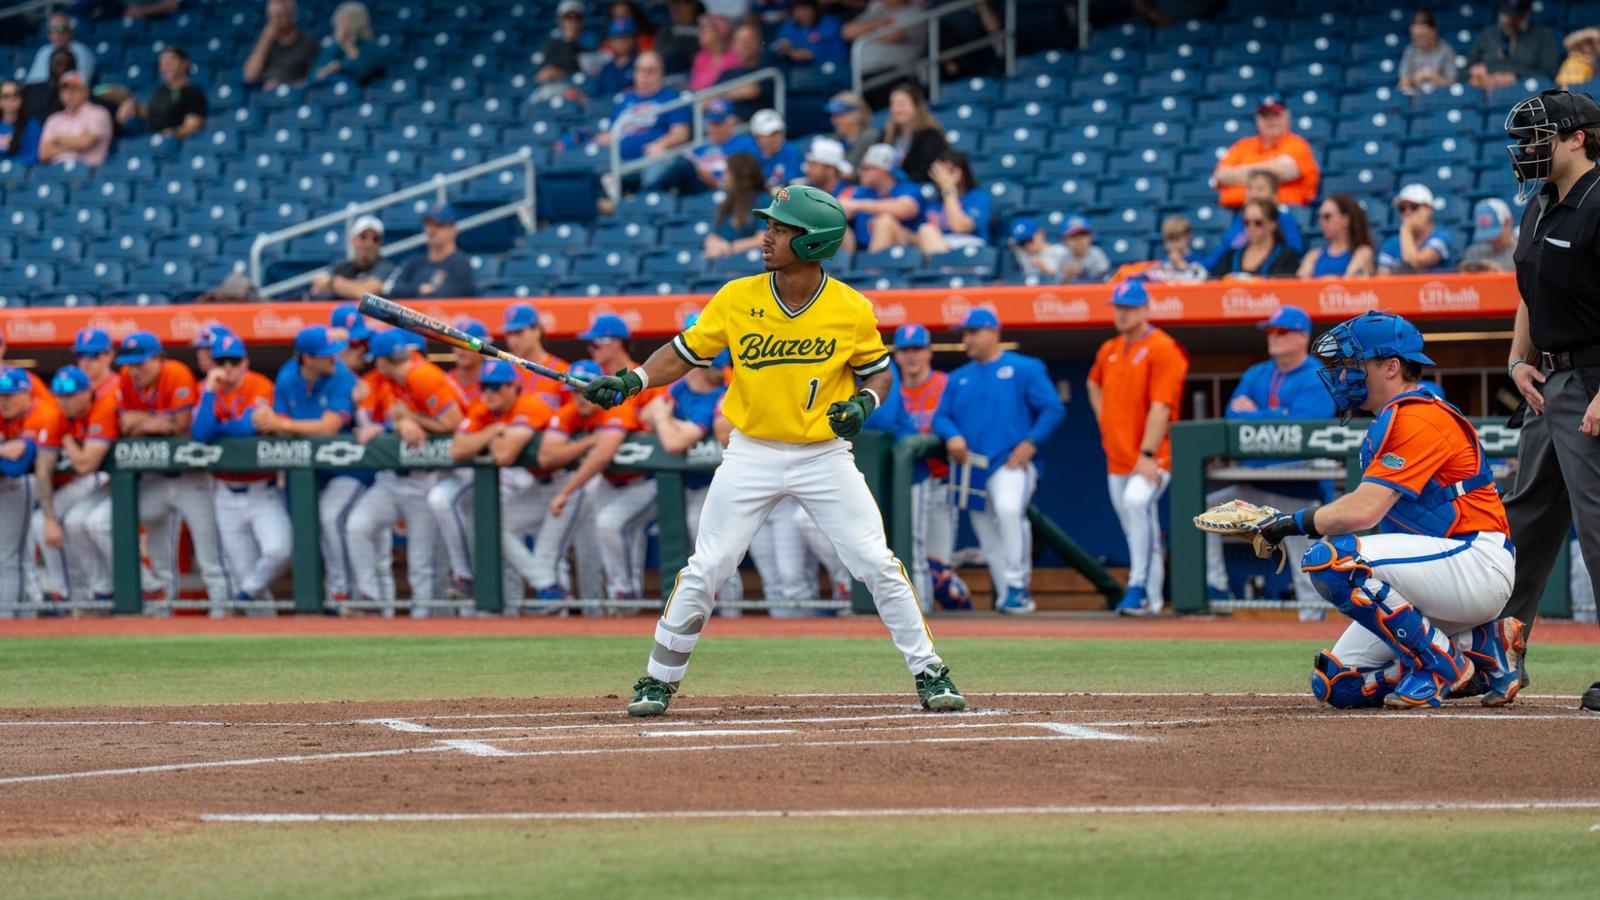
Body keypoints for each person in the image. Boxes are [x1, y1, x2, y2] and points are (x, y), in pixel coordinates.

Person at [581, 184, 966, 716]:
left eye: (781, 229)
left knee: (875, 561)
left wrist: (863, 404)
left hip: (823, 455)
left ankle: (931, 672)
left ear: (812, 243)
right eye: (772, 225)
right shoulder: (738, 296)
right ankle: (657, 679)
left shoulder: (850, 307)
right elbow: (687, 352)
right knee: (707, 566)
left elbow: (877, 370)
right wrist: (633, 380)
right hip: (751, 452)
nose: (767, 236)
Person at [1253, 311, 1524, 709]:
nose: (1343, 376)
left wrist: (1291, 523)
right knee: (1338, 684)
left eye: (1353, 365)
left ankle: (1438, 664)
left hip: (1474, 561)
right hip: (1436, 573)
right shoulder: (1391, 418)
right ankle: (1483, 645)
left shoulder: (1419, 416)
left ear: (1392, 366)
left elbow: (1364, 511)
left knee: (1332, 558)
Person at [1500, 89, 1600, 699]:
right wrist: (1517, 360)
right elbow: (1528, 289)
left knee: (1598, 528)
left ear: (1577, 138)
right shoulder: (1538, 203)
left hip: (1592, 381)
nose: (1527, 150)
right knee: (1524, 523)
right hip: (1547, 384)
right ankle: (1495, 654)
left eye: (1538, 138)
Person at [1202, 307, 1336, 611]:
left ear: (1303, 336)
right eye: (1270, 331)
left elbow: (1305, 427)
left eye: (1282, 331)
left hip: (1301, 493)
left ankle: (1310, 627)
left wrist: (1260, 415)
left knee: (1309, 573)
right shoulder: (1256, 373)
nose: (1273, 337)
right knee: (1206, 515)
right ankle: (1218, 590)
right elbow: (1233, 419)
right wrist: (1279, 416)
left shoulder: (1319, 377)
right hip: (1254, 489)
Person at [932, 312, 1063, 612]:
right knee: (986, 533)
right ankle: (1009, 596)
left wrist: (1032, 441)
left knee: (1008, 511)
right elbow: (941, 415)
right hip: (973, 466)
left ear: (993, 332)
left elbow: (1052, 408)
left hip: (1010, 461)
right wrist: (951, 435)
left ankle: (1018, 585)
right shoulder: (958, 377)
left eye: (973, 332)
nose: (967, 339)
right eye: (965, 333)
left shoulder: (1024, 367)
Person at [344, 329, 467, 614]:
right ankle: (369, 597)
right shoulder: (388, 381)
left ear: (386, 361)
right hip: (391, 480)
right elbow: (378, 419)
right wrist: (396, 425)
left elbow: (454, 422)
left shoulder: (422, 375)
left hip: (429, 478)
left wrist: (411, 419)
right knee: (358, 525)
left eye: (378, 361)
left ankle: (425, 623)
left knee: (423, 564)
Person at [1087, 281, 1190, 616]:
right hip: (1117, 456)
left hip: (1152, 455)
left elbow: (1161, 406)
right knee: (1137, 526)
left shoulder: (1164, 347)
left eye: (1129, 307)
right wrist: (1105, 419)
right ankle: (1153, 601)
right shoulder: (1109, 348)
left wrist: (1147, 454)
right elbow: (1093, 381)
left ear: (1146, 310)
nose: (1121, 313)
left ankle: (1138, 588)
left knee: (1136, 505)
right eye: (1118, 306)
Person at [549, 314, 667, 605]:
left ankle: (624, 599)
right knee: (606, 538)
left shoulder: (645, 375)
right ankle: (613, 605)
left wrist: (567, 489)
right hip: (608, 479)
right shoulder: (592, 382)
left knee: (612, 527)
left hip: (648, 476)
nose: (592, 349)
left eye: (597, 342)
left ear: (617, 342)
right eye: (589, 344)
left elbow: (656, 419)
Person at [112, 332, 231, 610]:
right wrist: (151, 422)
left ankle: (222, 612)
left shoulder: (176, 373)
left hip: (191, 479)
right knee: (152, 547)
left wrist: (139, 422)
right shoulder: (126, 378)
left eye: (141, 363)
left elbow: (180, 425)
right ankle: (160, 614)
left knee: (209, 555)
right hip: (156, 479)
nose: (135, 370)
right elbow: (123, 424)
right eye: (131, 364)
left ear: (158, 359)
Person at [252, 325, 364, 608]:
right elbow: (277, 425)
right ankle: (327, 596)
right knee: (305, 528)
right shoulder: (288, 375)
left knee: (330, 519)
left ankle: (344, 591)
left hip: (346, 467)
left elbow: (330, 426)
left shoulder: (341, 376)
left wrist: (282, 424)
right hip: (305, 470)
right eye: (325, 355)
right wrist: (268, 422)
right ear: (307, 358)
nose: (333, 359)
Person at [639, 332, 744, 609]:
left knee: (716, 545)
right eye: (718, 367)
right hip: (688, 486)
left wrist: (664, 419)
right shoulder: (681, 389)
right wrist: (663, 419)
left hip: (717, 484)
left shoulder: (719, 397)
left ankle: (732, 610)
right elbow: (645, 415)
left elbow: (673, 442)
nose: (722, 373)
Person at [447, 359, 558, 605]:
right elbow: (457, 449)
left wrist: (488, 438)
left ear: (513, 387)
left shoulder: (531, 404)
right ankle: (550, 593)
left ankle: (596, 614)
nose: (488, 393)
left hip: (572, 483)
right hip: (539, 485)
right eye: (485, 386)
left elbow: (503, 454)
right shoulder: (485, 409)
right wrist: (492, 431)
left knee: (575, 552)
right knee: (499, 524)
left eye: (496, 387)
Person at [190, 335, 288, 610]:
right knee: (242, 568)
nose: (228, 368)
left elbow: (246, 429)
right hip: (225, 492)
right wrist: (209, 390)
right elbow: (200, 434)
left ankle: (242, 595)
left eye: (234, 361)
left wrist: (219, 429)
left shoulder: (260, 385)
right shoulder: (208, 389)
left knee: (279, 550)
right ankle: (262, 625)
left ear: (245, 361)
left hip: (261, 489)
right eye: (221, 362)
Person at [884, 325, 969, 611]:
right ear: (896, 356)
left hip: (939, 483)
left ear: (929, 352)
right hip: (904, 485)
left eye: (917, 349)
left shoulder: (946, 384)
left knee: (937, 571)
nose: (911, 357)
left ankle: (964, 611)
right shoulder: (889, 392)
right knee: (904, 557)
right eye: (905, 350)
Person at [31, 366, 115, 608]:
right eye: (59, 396)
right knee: (48, 523)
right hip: (89, 481)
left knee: (90, 523)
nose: (63, 402)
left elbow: (85, 465)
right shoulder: (56, 415)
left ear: (87, 393)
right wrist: (50, 520)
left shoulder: (103, 407)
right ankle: (78, 593)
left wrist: (66, 438)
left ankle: (119, 585)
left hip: (106, 479)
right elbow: (43, 469)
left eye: (69, 395)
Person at [524, 359, 606, 602]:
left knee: (602, 555)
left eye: (587, 388)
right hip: (581, 487)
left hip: (629, 485)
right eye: (576, 390)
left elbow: (602, 456)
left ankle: (618, 616)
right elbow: (547, 455)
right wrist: (588, 442)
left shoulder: (616, 407)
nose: (581, 396)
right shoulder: (569, 412)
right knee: (587, 553)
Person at [430, 318, 488, 598]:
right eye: (456, 344)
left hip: (491, 469)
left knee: (493, 547)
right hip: (454, 469)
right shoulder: (444, 381)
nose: (461, 350)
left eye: (466, 344)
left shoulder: (495, 379)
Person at [0, 369, 56, 609]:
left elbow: (17, 467)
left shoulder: (43, 414)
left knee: (8, 559)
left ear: (26, 393)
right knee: (17, 558)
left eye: (10, 395)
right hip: (18, 488)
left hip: (27, 487)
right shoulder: (5, 415)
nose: (3, 401)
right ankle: (28, 611)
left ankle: (9, 617)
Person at [1212, 94, 1320, 210]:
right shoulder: (1243, 145)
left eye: (1276, 115)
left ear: (1287, 117)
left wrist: (1238, 173)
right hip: (1239, 211)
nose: (1271, 121)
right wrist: (1268, 170)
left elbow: (1283, 171)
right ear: (1257, 120)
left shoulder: (1297, 144)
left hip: (1284, 212)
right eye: (1265, 116)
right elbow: (1220, 175)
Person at [593, 51, 690, 167]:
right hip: (617, 160)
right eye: (640, 70)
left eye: (651, 71)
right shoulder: (624, 99)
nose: (644, 75)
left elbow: (681, 133)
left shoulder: (672, 98)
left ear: (661, 74)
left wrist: (662, 144)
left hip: (651, 160)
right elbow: (610, 133)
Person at [640, 97, 744, 195]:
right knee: (677, 162)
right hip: (696, 191)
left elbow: (752, 179)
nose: (714, 128)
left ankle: (646, 195)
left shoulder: (745, 143)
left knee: (684, 165)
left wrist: (717, 183)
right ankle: (649, 197)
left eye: (719, 123)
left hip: (724, 192)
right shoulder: (702, 147)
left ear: (731, 121)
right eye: (712, 123)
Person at [1206, 170, 1308, 268]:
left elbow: (1295, 251)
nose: (1253, 194)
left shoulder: (1284, 218)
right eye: (1250, 188)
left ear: (1274, 195)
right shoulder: (1240, 219)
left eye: (1260, 189)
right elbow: (1223, 250)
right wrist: (1201, 267)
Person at [838, 143, 922, 253]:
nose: (861, 172)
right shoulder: (862, 191)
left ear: (883, 170)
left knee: (884, 222)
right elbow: (841, 207)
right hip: (861, 248)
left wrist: (857, 205)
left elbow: (906, 209)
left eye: (866, 168)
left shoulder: (908, 188)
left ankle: (873, 268)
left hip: (902, 251)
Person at [384, 203, 476, 299]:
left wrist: (414, 292)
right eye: (428, 225)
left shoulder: (461, 264)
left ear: (453, 230)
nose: (431, 231)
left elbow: (450, 296)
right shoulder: (414, 262)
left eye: (438, 225)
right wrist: (419, 289)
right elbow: (393, 291)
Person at [115, 45, 206, 139]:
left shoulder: (193, 92)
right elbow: (152, 113)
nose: (165, 67)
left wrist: (174, 133)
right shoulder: (161, 90)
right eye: (162, 63)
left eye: (170, 62)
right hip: (152, 141)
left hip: (172, 145)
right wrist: (133, 105)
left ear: (184, 63)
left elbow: (193, 124)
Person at [1467, 0, 1561, 90]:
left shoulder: (1543, 35)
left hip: (1526, 91)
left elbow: (1550, 73)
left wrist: (1517, 76)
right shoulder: (1487, 35)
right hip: (1490, 92)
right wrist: (1475, 71)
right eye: (1506, 14)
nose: (1508, 20)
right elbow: (1465, 70)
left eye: (1514, 16)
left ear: (1527, 12)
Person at [915, 151, 990, 255]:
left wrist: (948, 189)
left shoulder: (978, 196)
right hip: (939, 247)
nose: (943, 177)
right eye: (939, 172)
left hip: (970, 250)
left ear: (962, 173)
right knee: (925, 231)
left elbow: (960, 227)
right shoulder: (931, 200)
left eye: (949, 171)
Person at [842, 0, 929, 87]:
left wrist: (863, 33)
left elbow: (895, 35)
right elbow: (847, 32)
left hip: (894, 72)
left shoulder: (914, 13)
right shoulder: (877, 11)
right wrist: (878, 24)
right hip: (862, 72)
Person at [1211, 198, 1303, 279]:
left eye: (1258, 223)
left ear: (1272, 224)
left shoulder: (1286, 256)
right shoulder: (1231, 256)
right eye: (1246, 223)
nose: (1251, 227)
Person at [309, 215, 394, 300]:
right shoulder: (343, 266)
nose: (369, 243)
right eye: (363, 237)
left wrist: (332, 283)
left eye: (375, 239)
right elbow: (318, 283)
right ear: (353, 239)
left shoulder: (386, 267)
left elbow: (368, 293)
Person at [502, 303, 569, 409]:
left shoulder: (562, 370)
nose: (513, 340)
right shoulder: (502, 371)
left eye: (519, 332)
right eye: (509, 334)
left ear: (536, 330)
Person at [1376, 184, 1455, 274]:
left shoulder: (1441, 236)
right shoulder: (1391, 244)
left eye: (1414, 207)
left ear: (1429, 209)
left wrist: (1406, 229)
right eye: (1402, 209)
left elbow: (1414, 263)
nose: (1407, 212)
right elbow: (1382, 280)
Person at [702, 153, 769, 259]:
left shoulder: (763, 201)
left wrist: (730, 247)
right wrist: (712, 245)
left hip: (748, 263)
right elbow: (715, 235)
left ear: (740, 175)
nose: (724, 177)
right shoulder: (729, 201)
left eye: (727, 172)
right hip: (724, 262)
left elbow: (763, 238)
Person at [38, 72, 111, 167]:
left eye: (74, 88)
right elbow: (43, 153)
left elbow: (85, 143)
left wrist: (58, 139)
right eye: (65, 89)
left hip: (87, 172)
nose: (69, 93)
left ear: (86, 91)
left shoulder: (98, 113)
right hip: (57, 171)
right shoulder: (54, 119)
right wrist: (75, 143)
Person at [244, 0, 320, 90]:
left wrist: (283, 86)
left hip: (293, 95)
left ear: (293, 16)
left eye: (280, 16)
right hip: (266, 96)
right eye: (271, 17)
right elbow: (249, 77)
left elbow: (315, 78)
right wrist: (264, 42)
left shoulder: (308, 42)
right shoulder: (264, 42)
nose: (275, 22)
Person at [880, 83, 948, 184]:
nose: (896, 110)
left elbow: (924, 172)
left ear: (917, 107)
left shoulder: (930, 136)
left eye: (901, 104)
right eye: (893, 104)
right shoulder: (885, 135)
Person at [1297, 194, 1377, 279]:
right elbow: (1299, 286)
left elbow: (1349, 283)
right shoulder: (1313, 255)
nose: (1321, 222)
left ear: (1346, 219)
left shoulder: (1362, 252)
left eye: (1327, 216)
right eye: (1319, 217)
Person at [711, 22, 771, 120]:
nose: (745, 44)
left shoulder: (767, 69)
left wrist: (721, 93)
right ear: (733, 46)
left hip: (754, 128)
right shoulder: (727, 73)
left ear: (760, 43)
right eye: (741, 40)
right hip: (723, 127)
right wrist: (736, 92)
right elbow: (706, 98)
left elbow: (751, 91)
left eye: (749, 40)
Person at [313, 1, 383, 85]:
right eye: (338, 20)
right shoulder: (333, 48)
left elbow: (362, 73)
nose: (338, 24)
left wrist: (339, 66)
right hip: (328, 93)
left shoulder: (369, 48)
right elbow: (315, 74)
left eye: (344, 21)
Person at [25, 12, 94, 85]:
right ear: (49, 34)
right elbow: (32, 82)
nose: (58, 33)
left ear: (71, 31)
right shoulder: (43, 52)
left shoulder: (81, 51)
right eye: (53, 29)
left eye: (62, 28)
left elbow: (81, 82)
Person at [1398, 10, 1458, 94]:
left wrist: (1434, 76)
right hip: (1417, 98)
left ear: (1434, 30)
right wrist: (1415, 77)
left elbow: (1453, 84)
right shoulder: (1410, 50)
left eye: (1422, 36)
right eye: (1415, 36)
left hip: (1441, 97)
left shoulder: (1446, 50)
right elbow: (1402, 83)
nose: (1418, 40)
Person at [774, 0, 848, 68]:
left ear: (814, 9)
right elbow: (775, 46)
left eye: (806, 9)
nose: (802, 14)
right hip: (795, 70)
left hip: (825, 70)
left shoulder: (830, 24)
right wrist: (782, 47)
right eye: (798, 9)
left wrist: (813, 54)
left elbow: (840, 54)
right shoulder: (789, 25)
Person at [536, 1, 592, 86]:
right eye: (568, 17)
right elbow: (541, 76)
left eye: (577, 17)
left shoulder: (592, 44)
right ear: (560, 20)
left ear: (583, 20)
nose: (573, 22)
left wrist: (561, 73)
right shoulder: (552, 45)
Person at [746, 108, 804, 189]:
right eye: (771, 135)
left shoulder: (791, 152)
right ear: (757, 137)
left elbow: (790, 186)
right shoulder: (750, 154)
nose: (777, 138)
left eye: (779, 133)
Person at [826, 91, 880, 174]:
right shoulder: (833, 139)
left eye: (840, 115)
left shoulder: (870, 136)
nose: (834, 120)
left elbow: (851, 170)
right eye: (833, 115)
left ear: (856, 116)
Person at [1460, 197, 1518, 272]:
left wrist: (1500, 275)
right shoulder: (1473, 253)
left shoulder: (1525, 253)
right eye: (1485, 234)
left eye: (1495, 234)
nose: (1490, 239)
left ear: (1508, 222)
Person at [1145, 215, 1208, 283]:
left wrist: (1183, 267)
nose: (1172, 245)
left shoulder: (1198, 259)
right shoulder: (1163, 263)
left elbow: (1203, 278)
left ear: (1189, 237)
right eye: (1168, 240)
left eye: (1177, 239)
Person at [592, 16, 641, 99]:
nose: (621, 42)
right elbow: (598, 98)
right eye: (617, 38)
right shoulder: (606, 69)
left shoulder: (642, 63)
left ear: (634, 39)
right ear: (610, 41)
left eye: (625, 37)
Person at [690, 13, 737, 90]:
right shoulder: (701, 57)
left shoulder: (735, 56)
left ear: (719, 33)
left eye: (704, 30)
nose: (699, 34)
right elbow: (695, 87)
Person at [655, 0, 702, 75]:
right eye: (671, 5)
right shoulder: (666, 30)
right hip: (670, 75)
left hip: (699, 73)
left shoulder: (704, 27)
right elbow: (661, 55)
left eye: (678, 4)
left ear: (692, 5)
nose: (674, 9)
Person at [1, 80, 42, 164]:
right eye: (6, 96)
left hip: (22, 174)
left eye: (15, 95)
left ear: (21, 99)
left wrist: (11, 166)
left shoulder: (32, 126)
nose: (11, 99)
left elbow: (34, 155)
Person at [1060, 216, 1112, 283]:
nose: (1079, 241)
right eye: (1074, 237)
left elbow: (1104, 280)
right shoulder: (1063, 257)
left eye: (1083, 236)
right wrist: (1067, 277)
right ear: (1065, 240)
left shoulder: (1096, 254)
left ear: (1090, 237)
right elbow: (1056, 287)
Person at [72, 328, 119, 397]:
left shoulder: (121, 387)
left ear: (110, 356)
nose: (85, 360)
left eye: (92, 354)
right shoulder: (73, 391)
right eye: (80, 354)